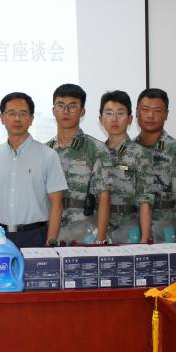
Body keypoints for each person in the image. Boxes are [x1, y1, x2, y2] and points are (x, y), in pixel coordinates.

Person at [0, 92, 67, 248]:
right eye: (11, 113)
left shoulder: (48, 155)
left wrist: (50, 245)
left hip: (36, 235)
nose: (17, 119)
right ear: (2, 118)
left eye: (23, 114)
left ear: (31, 119)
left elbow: (56, 203)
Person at [46, 84, 111, 244]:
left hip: (86, 233)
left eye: (73, 106)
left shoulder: (96, 149)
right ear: (53, 110)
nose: (66, 111)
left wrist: (100, 241)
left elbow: (104, 198)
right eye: (60, 105)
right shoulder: (45, 150)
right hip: (51, 232)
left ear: (82, 111)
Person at [135, 88, 176, 244]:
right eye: (145, 109)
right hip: (132, 231)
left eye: (157, 111)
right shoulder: (129, 149)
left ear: (166, 114)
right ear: (136, 112)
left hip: (166, 232)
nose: (150, 115)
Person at [98, 91, 153, 243]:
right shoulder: (96, 152)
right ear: (100, 119)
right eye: (109, 113)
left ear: (130, 119)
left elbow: (145, 200)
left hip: (129, 230)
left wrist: (144, 239)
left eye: (120, 113)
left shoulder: (140, 154)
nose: (114, 119)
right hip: (99, 230)